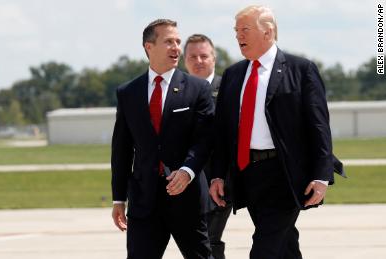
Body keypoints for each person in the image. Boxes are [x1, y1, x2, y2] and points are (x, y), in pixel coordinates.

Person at [209, 5, 344, 259]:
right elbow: (222, 132)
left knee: (264, 249)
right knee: (284, 246)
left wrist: (321, 175)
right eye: (236, 31)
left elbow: (318, 126)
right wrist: (218, 175)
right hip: (248, 173)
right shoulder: (233, 75)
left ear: (268, 32)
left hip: (286, 174)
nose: (239, 36)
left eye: (245, 29)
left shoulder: (301, 69)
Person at [111, 19, 215, 259]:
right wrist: (119, 198)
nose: (176, 47)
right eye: (169, 41)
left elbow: (205, 139)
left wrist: (187, 170)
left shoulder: (197, 88)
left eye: (178, 42)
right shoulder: (128, 92)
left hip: (185, 197)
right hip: (144, 201)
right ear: (149, 46)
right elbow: (122, 149)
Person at [184, 34, 231, 259]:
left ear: (214, 58)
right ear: (185, 60)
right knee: (197, 240)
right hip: (187, 180)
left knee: (209, 238)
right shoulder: (177, 90)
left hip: (220, 178)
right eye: (193, 56)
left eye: (204, 55)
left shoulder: (230, 89)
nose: (199, 61)